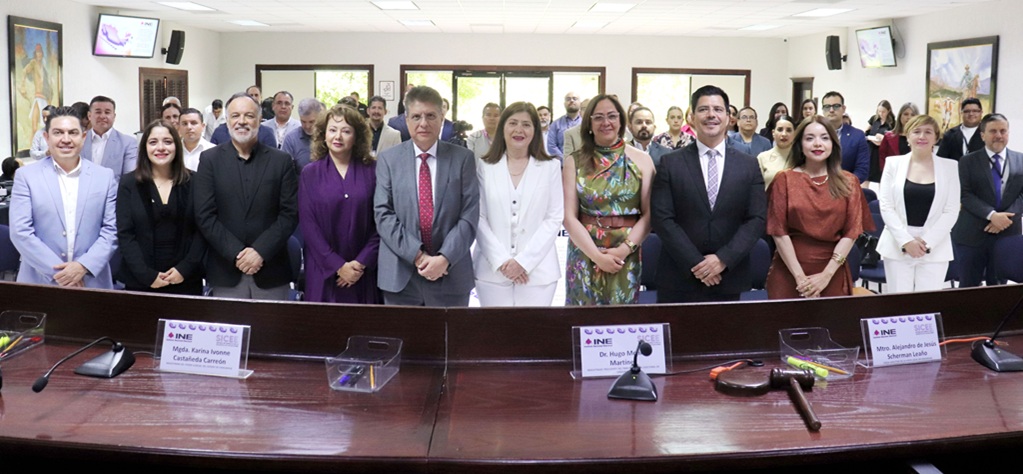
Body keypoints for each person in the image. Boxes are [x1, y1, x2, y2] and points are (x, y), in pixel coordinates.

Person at [651, 86, 766, 303]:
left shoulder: (749, 165)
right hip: (679, 277)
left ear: (728, 117)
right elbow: (663, 218)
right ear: (692, 117)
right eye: (703, 109)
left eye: (717, 109)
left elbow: (756, 218)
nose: (711, 115)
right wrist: (697, 263)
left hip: (729, 276)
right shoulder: (670, 163)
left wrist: (723, 259)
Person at [374, 86, 479, 307]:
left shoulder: (463, 158)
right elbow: (383, 214)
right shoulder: (388, 160)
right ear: (406, 119)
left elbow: (469, 215)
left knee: (450, 341)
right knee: (403, 340)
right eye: (416, 116)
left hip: (450, 274)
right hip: (401, 276)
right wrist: (418, 256)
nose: (423, 123)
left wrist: (444, 259)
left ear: (442, 118)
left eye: (431, 116)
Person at [193, 92, 299, 300]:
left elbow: (289, 214)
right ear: (227, 121)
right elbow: (205, 215)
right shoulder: (209, 160)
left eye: (249, 116)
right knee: (228, 332)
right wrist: (237, 253)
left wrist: (259, 252)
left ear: (260, 120)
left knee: (271, 332)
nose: (242, 121)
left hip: (271, 270)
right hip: (225, 271)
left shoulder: (282, 161)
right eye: (235, 116)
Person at [10, 107, 118, 289]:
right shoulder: (26, 176)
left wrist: (82, 267)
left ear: (83, 137)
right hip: (40, 282)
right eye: (58, 133)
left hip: (91, 281)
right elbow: (20, 232)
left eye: (73, 133)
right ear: (46, 138)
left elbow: (111, 230)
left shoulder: (104, 177)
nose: (66, 139)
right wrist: (62, 274)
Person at [765, 116, 872, 299]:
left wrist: (826, 275)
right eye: (809, 138)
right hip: (789, 271)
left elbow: (851, 232)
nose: (817, 144)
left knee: (833, 326)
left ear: (833, 143)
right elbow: (778, 232)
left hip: (832, 271)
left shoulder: (849, 182)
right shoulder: (784, 180)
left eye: (824, 137)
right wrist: (800, 278)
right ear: (800, 144)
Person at [563, 94, 654, 305]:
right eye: (599, 117)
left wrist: (624, 249)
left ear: (622, 121)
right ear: (589, 123)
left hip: (626, 251)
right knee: (583, 321)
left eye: (612, 116)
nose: (606, 123)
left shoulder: (642, 160)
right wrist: (597, 256)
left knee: (621, 321)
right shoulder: (574, 161)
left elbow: (649, 215)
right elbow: (568, 216)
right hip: (584, 250)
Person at [474, 102, 563, 306]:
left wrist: (524, 262)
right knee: (496, 334)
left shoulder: (551, 167)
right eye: (513, 123)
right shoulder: (486, 166)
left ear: (535, 131)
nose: (519, 130)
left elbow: (554, 217)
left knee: (531, 334)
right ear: (503, 127)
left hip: (538, 273)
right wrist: (502, 261)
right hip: (492, 271)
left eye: (526, 124)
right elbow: (479, 217)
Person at [298, 105, 381, 304]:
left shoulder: (374, 171)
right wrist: (337, 266)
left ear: (357, 136)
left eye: (346, 131)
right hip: (323, 271)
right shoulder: (310, 173)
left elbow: (381, 222)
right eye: (332, 130)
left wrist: (360, 263)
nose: (338, 137)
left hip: (363, 271)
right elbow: (308, 226)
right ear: (323, 134)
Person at [116, 120, 206, 295]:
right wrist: (146, 275)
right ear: (144, 148)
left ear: (177, 146)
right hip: (141, 281)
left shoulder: (194, 181)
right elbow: (125, 234)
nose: (161, 147)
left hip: (186, 279)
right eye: (153, 142)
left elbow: (201, 231)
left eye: (167, 141)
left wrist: (184, 269)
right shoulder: (129, 183)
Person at [877, 115, 960, 293]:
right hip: (897, 244)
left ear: (936, 138)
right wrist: (906, 241)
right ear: (908, 137)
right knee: (898, 304)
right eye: (916, 131)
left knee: (927, 305)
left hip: (935, 246)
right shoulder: (893, 164)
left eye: (928, 132)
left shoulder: (950, 167)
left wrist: (927, 242)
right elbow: (886, 206)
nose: (922, 136)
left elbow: (951, 211)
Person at [951, 113, 1023, 287]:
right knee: (968, 289)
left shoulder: (1021, 159)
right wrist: (992, 215)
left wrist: (1004, 219)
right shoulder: (967, 161)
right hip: (972, 235)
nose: (998, 135)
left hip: (1007, 234)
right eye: (993, 131)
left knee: (998, 290)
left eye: (1003, 131)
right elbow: (965, 194)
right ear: (983, 135)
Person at [81, 95, 138, 176]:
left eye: (107, 112)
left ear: (114, 116)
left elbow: (129, 178)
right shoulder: (78, 140)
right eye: (98, 112)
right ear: (89, 116)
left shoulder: (128, 143)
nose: (103, 116)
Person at [821, 91, 870, 183]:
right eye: (827, 107)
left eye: (836, 106)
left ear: (843, 109)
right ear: (823, 110)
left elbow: (862, 170)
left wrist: (843, 185)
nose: (831, 110)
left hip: (846, 189)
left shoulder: (857, 136)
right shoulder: (814, 134)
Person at [282, 98, 325, 171]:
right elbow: (286, 170)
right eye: (303, 122)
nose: (307, 126)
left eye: (312, 122)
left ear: (319, 117)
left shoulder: (327, 136)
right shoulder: (291, 139)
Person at [757, 115, 796, 189]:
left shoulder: (801, 157)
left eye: (789, 130)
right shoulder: (762, 157)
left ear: (794, 134)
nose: (784, 134)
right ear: (773, 133)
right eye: (780, 129)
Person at [879, 102, 919, 173]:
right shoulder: (888, 136)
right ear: (900, 116)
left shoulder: (921, 138)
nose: (909, 117)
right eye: (906, 114)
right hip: (893, 173)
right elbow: (882, 156)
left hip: (915, 174)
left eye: (912, 115)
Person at [547, 92, 583, 159]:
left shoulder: (586, 123)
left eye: (575, 99)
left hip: (583, 163)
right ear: (564, 104)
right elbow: (551, 145)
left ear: (580, 103)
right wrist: (565, 160)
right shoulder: (555, 124)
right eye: (568, 99)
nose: (571, 101)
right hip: (561, 165)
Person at [865, 100, 895, 182]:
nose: (881, 114)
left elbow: (894, 140)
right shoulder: (874, 119)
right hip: (871, 151)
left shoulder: (893, 123)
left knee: (882, 179)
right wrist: (869, 137)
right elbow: (866, 133)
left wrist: (883, 139)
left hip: (882, 154)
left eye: (883, 112)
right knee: (866, 177)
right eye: (879, 111)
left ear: (888, 111)